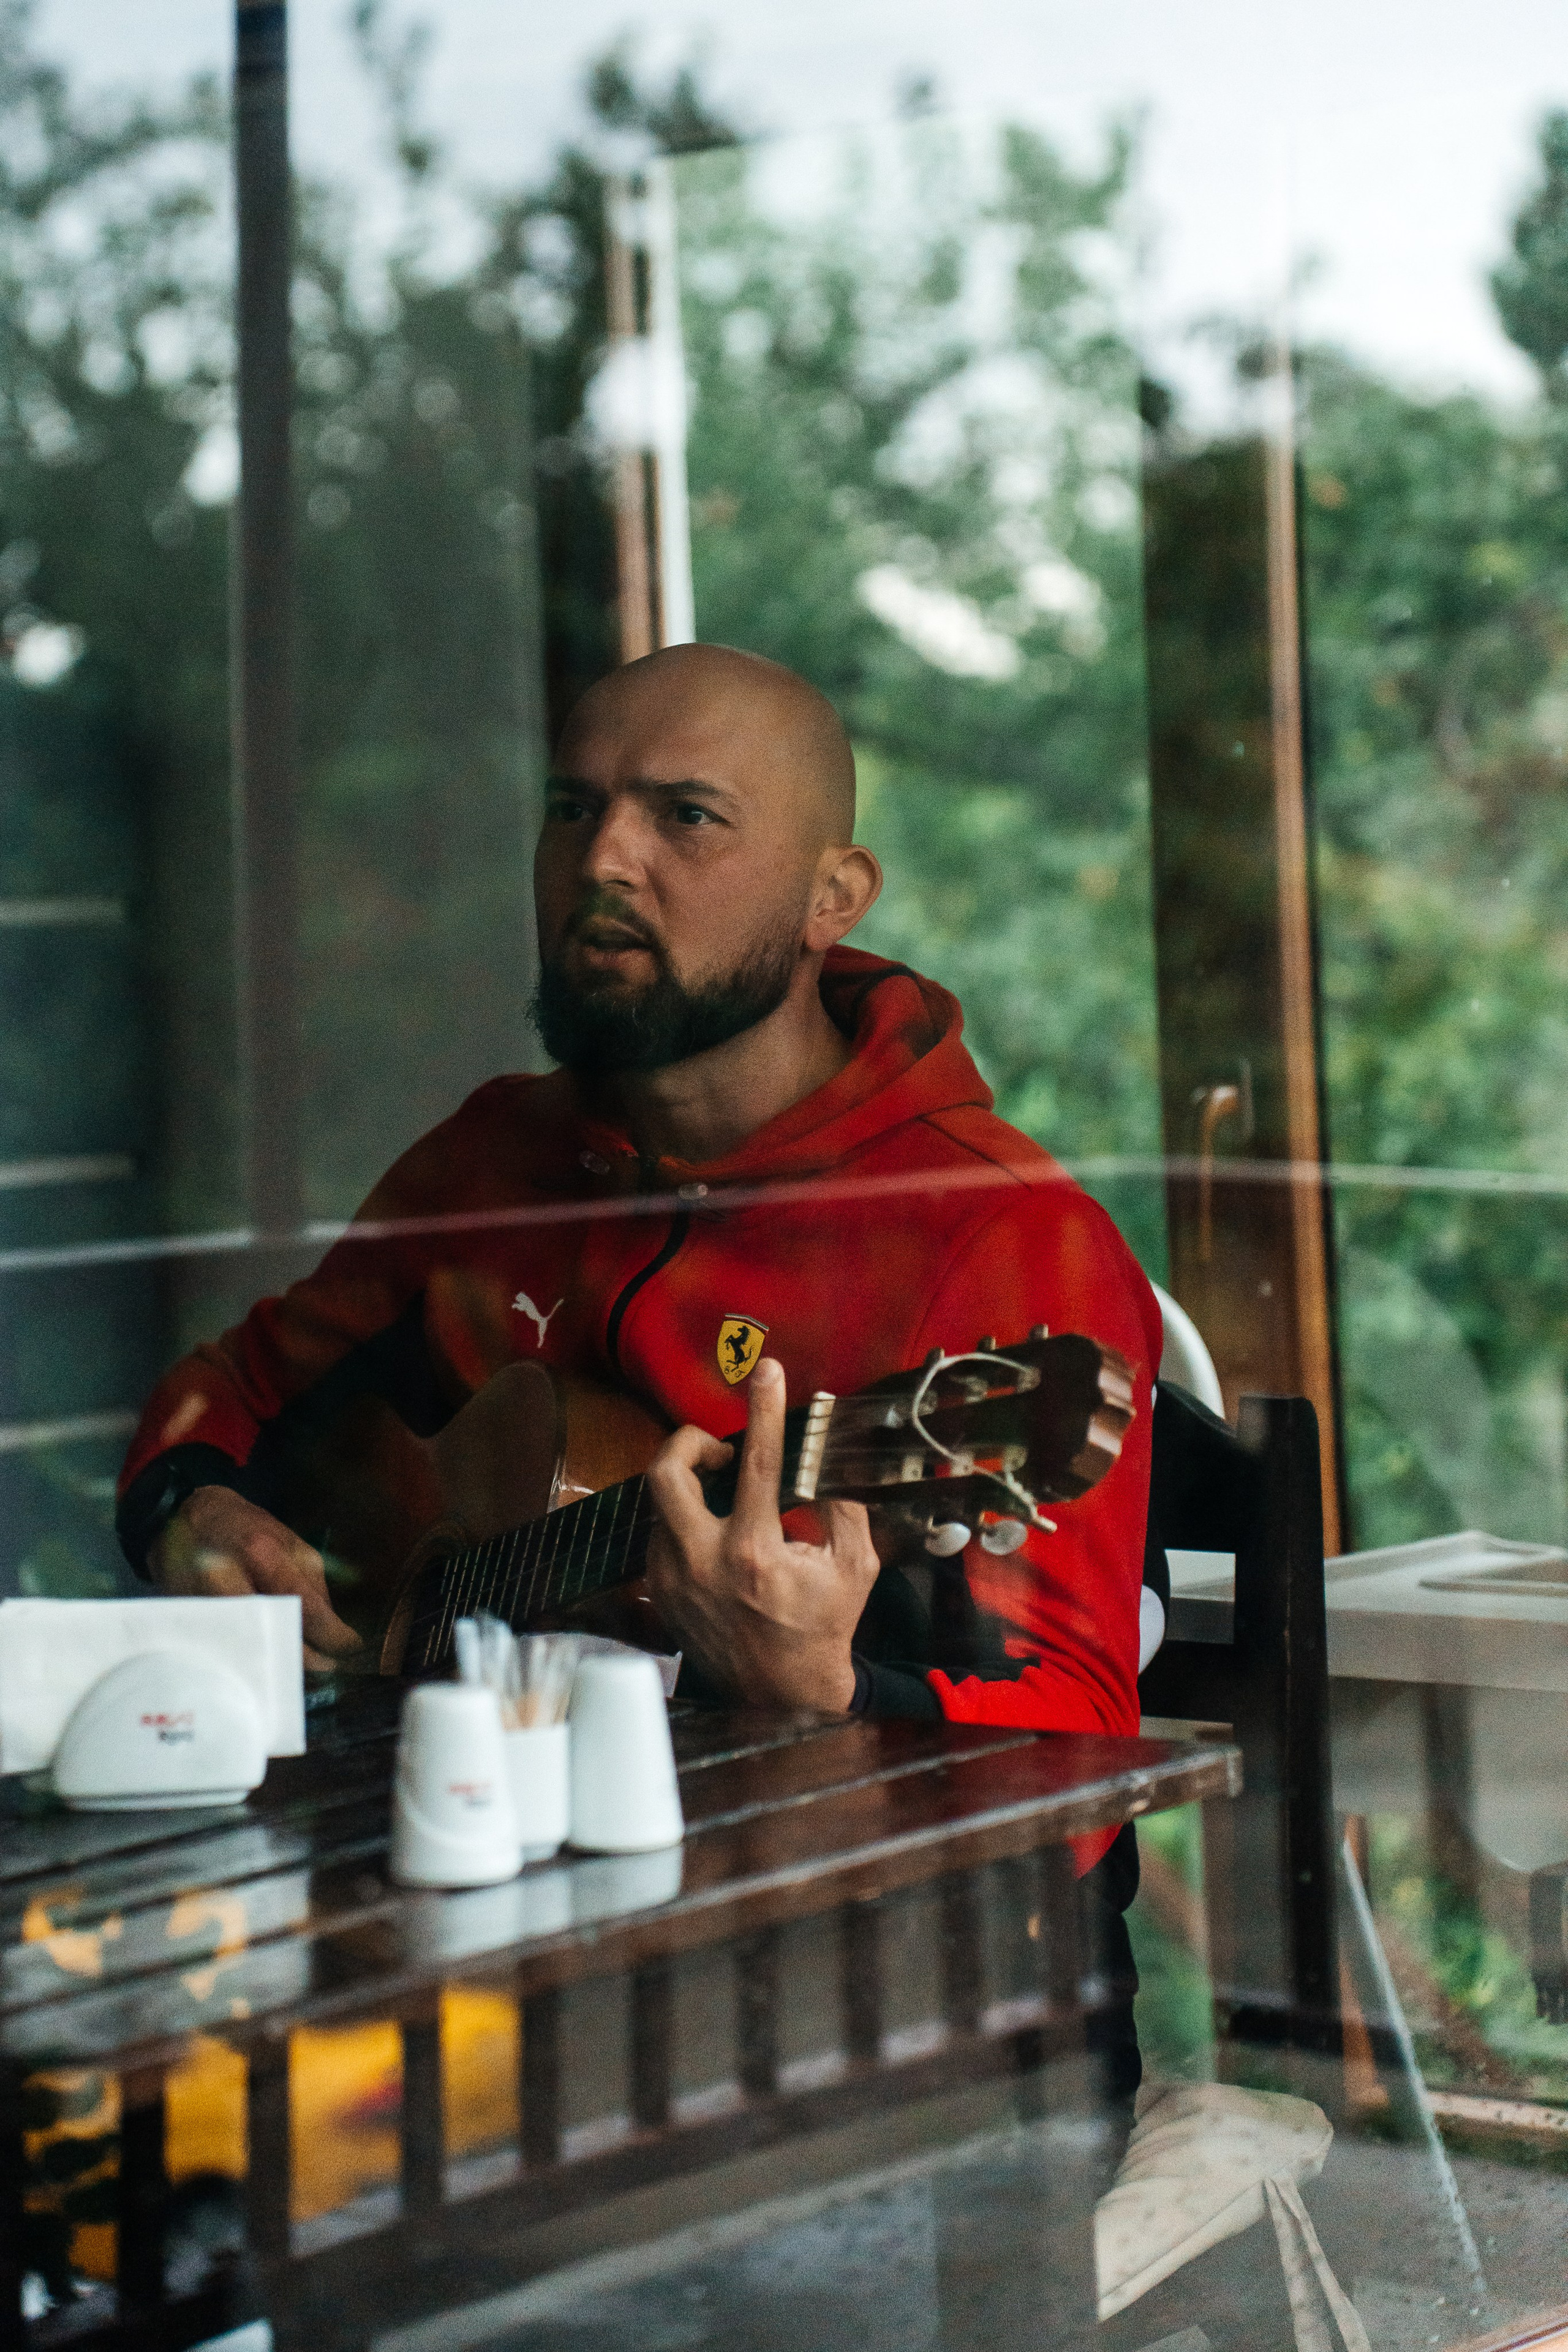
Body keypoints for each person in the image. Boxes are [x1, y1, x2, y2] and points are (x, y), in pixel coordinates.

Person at [116, 643, 1161, 2089]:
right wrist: (192, 1510)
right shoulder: (494, 1156)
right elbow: (226, 1391)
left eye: (685, 816)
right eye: (570, 806)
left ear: (832, 897)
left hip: (902, 2010)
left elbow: (1078, 1765)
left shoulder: (996, 1232)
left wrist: (824, 1697)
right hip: (509, 1935)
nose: (602, 856)